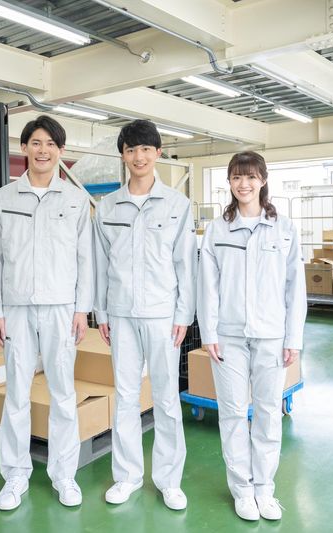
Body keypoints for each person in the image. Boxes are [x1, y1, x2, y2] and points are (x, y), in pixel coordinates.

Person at [0, 115, 93, 511]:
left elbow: (86, 259)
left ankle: (64, 474)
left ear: (60, 151)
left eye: (50, 144)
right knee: (16, 393)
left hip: (62, 308)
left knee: (63, 393)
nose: (43, 150)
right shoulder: (3, 199)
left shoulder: (75, 200)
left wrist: (82, 309)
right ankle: (15, 475)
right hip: (15, 308)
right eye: (36, 143)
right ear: (24, 148)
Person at [197, 151, 306, 521]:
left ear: (263, 180)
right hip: (228, 336)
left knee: (268, 412)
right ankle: (242, 490)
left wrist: (293, 338)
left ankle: (264, 489)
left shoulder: (284, 228)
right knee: (231, 414)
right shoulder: (217, 230)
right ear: (229, 182)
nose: (243, 184)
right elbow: (207, 286)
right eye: (236, 177)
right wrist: (208, 331)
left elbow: (295, 287)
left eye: (250, 177)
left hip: (271, 335)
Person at [93, 119, 196, 511]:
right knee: (125, 397)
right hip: (120, 313)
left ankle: (169, 481)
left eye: (146, 149)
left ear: (158, 153)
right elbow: (100, 264)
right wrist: (101, 311)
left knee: (166, 398)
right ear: (123, 155)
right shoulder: (107, 206)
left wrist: (183, 314)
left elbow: (185, 264)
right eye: (131, 149)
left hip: (162, 314)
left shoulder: (177, 205)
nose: (139, 157)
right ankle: (127, 477)